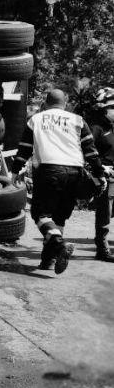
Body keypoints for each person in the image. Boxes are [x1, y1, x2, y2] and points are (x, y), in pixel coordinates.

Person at [11, 88, 106, 274]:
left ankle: (59, 245)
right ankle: (48, 260)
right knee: (59, 218)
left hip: (49, 171)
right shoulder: (78, 120)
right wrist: (99, 173)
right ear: (66, 102)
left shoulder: (36, 119)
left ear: (45, 102)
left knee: (40, 214)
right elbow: (90, 151)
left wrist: (15, 171)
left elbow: (24, 148)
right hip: (74, 172)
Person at [89, 87, 114, 261]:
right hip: (105, 175)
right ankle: (102, 248)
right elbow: (87, 150)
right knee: (105, 211)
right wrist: (101, 168)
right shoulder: (96, 127)